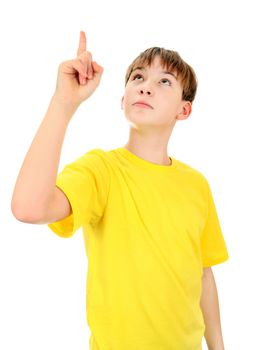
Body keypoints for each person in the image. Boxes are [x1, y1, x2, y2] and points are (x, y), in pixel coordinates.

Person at [11, 30, 229, 350]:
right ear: (123, 99)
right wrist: (64, 102)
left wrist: (218, 346)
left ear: (183, 110)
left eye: (164, 81)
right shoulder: (101, 171)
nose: (145, 85)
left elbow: (203, 274)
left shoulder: (196, 184)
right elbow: (28, 207)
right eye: (138, 76)